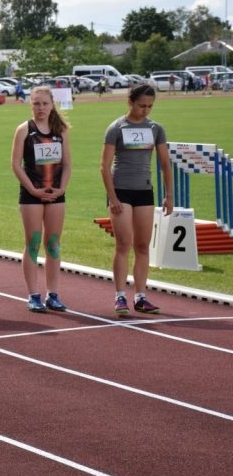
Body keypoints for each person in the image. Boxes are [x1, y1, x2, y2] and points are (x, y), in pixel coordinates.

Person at [100, 83, 172, 316]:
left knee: (142, 245)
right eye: (141, 105)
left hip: (144, 192)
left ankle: (141, 296)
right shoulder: (116, 127)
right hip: (121, 190)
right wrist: (112, 197)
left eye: (150, 106)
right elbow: (104, 166)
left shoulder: (156, 129)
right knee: (123, 244)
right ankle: (120, 296)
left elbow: (164, 164)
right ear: (130, 102)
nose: (145, 110)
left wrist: (169, 195)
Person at [11, 86, 71, 313]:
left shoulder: (61, 130)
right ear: (31, 105)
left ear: (52, 104)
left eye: (45, 104)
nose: (41, 108)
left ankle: (53, 295)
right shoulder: (24, 129)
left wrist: (61, 188)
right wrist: (32, 189)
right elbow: (16, 164)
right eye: (36, 104)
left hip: (56, 194)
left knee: (53, 244)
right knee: (33, 243)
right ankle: (33, 295)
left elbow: (67, 164)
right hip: (31, 195)